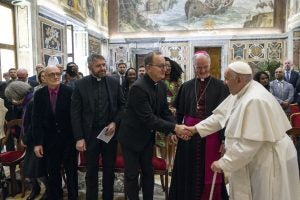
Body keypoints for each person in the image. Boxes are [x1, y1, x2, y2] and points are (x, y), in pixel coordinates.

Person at [185, 61, 300, 200]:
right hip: (256, 157)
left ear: (239, 79)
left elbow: (250, 144)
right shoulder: (242, 91)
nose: (225, 83)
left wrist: (224, 163)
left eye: (227, 78)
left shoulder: (254, 99)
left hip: (268, 159)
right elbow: (221, 116)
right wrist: (195, 129)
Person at [117, 51, 190, 200]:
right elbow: (148, 119)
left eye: (165, 66)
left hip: (146, 138)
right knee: (132, 175)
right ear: (148, 67)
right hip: (131, 139)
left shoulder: (161, 85)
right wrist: (175, 128)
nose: (165, 69)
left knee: (148, 173)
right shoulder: (138, 87)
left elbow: (164, 111)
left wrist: (174, 128)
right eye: (161, 66)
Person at [169, 51, 229, 200]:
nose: (202, 71)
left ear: (210, 65)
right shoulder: (186, 87)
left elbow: (225, 117)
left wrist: (223, 139)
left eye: (205, 67)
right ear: (194, 67)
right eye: (198, 67)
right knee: (187, 169)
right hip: (188, 135)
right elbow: (178, 113)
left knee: (209, 169)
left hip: (212, 135)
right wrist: (174, 130)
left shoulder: (221, 86)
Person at [71, 54, 125, 200]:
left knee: (109, 169)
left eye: (103, 65)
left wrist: (114, 122)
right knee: (91, 171)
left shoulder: (114, 83)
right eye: (98, 66)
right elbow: (75, 113)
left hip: (109, 132)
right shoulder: (81, 84)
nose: (102, 68)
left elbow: (122, 106)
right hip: (90, 134)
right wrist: (79, 138)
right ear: (90, 67)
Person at [33, 66, 78, 199]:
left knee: (71, 174)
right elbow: (36, 120)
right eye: (52, 74)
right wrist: (37, 143)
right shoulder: (39, 95)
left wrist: (79, 138)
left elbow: (75, 117)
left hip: (68, 140)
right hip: (49, 141)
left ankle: (73, 197)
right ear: (44, 77)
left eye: (58, 74)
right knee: (53, 173)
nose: (56, 77)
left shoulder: (69, 91)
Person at [4, 81, 48, 200]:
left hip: (37, 141)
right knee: (30, 168)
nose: (12, 101)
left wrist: (25, 140)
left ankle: (48, 189)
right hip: (31, 140)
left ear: (17, 94)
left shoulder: (32, 102)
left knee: (36, 168)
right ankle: (36, 188)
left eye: (12, 98)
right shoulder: (28, 101)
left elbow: (34, 125)